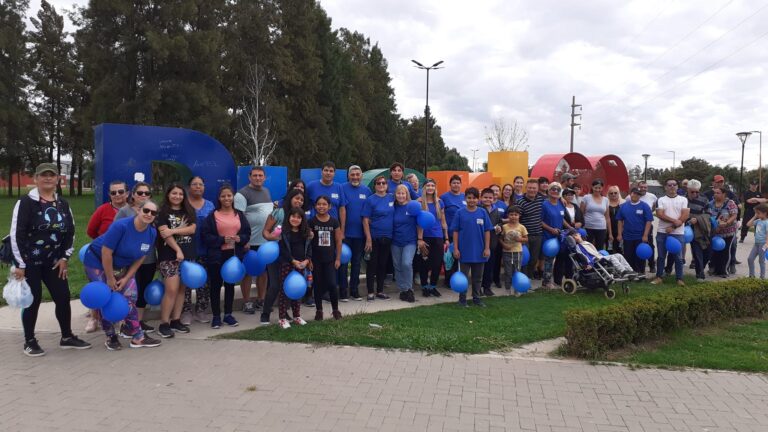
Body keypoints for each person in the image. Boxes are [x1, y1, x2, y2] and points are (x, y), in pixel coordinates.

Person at [10, 163, 92, 357]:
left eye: (52, 175)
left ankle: (67, 337)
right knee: (33, 300)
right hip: (29, 262)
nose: (48, 178)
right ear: (36, 179)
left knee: (62, 297)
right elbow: (16, 234)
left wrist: (64, 257)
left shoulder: (62, 204)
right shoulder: (26, 203)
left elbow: (70, 232)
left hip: (54, 261)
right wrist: (20, 264)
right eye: (43, 175)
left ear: (57, 179)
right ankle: (29, 341)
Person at [82, 200, 162, 350]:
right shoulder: (122, 226)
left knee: (131, 296)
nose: (149, 214)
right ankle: (111, 336)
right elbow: (106, 252)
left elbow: (141, 257)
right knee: (105, 297)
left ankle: (137, 336)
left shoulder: (151, 232)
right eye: (146, 210)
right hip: (97, 260)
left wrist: (126, 278)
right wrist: (110, 278)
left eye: (153, 212)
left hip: (121, 265)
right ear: (138, 210)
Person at [202, 185, 250, 329]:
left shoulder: (239, 214)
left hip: (234, 255)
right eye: (223, 196)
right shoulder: (212, 216)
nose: (226, 198)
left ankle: (228, 315)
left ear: (233, 197)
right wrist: (222, 240)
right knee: (216, 286)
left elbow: (247, 233)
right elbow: (206, 236)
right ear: (219, 198)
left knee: (230, 285)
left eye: (229, 195)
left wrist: (239, 239)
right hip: (217, 256)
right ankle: (216, 316)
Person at [84, 179, 128, 333]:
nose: (117, 195)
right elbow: (90, 231)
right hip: (100, 256)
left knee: (121, 286)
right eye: (113, 192)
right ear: (109, 194)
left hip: (123, 258)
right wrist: (103, 245)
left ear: (127, 193)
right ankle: (94, 317)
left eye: (120, 191)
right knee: (99, 287)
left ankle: (121, 316)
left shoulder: (133, 211)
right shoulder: (103, 210)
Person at [113, 182, 158, 333]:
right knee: (131, 292)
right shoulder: (125, 212)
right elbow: (115, 234)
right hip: (129, 262)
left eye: (146, 193)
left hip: (148, 258)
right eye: (140, 193)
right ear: (133, 195)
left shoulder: (152, 211)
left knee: (143, 291)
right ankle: (126, 324)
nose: (143, 196)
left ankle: (138, 321)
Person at [155, 183, 197, 338]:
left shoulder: (189, 210)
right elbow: (163, 234)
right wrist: (177, 249)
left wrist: (173, 230)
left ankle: (176, 320)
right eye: (174, 193)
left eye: (180, 194)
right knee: (171, 290)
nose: (177, 196)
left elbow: (192, 229)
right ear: (168, 194)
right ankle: (164, 323)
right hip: (169, 256)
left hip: (188, 256)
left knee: (182, 290)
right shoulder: (162, 212)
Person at [260, 189, 307, 323]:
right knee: (275, 285)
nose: (299, 201)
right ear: (290, 198)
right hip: (275, 255)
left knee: (288, 284)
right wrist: (275, 238)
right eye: (296, 198)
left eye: (301, 200)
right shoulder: (278, 212)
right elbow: (265, 232)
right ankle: (265, 313)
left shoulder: (300, 216)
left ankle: (284, 313)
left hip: (291, 258)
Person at [234, 166, 272, 314]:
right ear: (249, 177)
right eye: (255, 175)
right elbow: (238, 219)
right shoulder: (242, 194)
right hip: (249, 242)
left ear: (264, 177)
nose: (258, 178)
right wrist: (244, 240)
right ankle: (246, 302)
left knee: (263, 272)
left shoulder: (266, 192)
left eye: (260, 175)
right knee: (248, 272)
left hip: (265, 242)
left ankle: (261, 300)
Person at [451, 187, 492, 307]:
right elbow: (455, 231)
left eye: (474, 198)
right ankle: (462, 300)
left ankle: (476, 298)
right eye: (469, 198)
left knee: (477, 277)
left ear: (478, 199)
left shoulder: (483, 212)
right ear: (465, 199)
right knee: (463, 278)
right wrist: (456, 248)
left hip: (480, 251)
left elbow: (487, 231)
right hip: (464, 251)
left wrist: (487, 248)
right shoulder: (460, 212)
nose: (471, 200)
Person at [182, 176, 215, 325]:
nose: (197, 187)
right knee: (186, 282)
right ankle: (186, 311)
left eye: (200, 184)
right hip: (186, 249)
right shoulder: (183, 204)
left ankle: (201, 310)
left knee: (204, 282)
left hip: (206, 249)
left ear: (204, 187)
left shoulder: (210, 205)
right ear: (189, 187)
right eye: (194, 184)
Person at [276, 208, 312, 329]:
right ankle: (282, 318)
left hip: (301, 265)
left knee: (298, 291)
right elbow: (283, 250)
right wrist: (292, 260)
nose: (295, 219)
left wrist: (307, 260)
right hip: (287, 264)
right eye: (293, 216)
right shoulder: (284, 232)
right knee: (284, 291)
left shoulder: (305, 233)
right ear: (288, 217)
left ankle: (297, 316)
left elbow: (309, 249)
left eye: (298, 217)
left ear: (302, 219)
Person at [340, 165, 371, 301]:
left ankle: (354, 290)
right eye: (352, 174)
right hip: (345, 234)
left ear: (361, 176)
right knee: (343, 263)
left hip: (360, 234)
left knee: (357, 263)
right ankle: (342, 291)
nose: (355, 177)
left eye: (358, 174)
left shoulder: (367, 190)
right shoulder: (342, 188)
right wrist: (341, 231)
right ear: (348, 176)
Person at [650, 179, 689, 286]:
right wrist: (674, 221)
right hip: (662, 232)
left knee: (679, 258)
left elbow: (685, 215)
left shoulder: (683, 199)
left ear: (677, 187)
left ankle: (679, 278)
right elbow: (660, 214)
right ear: (665, 187)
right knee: (661, 256)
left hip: (678, 233)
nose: (672, 186)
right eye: (669, 185)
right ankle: (659, 277)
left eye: (674, 184)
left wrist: (673, 226)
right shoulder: (661, 199)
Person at [309, 196, 343, 320]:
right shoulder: (311, 222)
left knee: (332, 284)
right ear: (315, 206)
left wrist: (338, 258)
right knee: (317, 284)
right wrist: (309, 259)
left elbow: (338, 241)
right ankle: (319, 310)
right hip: (316, 259)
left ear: (329, 206)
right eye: (319, 204)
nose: (321, 206)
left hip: (330, 259)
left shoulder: (334, 222)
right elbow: (308, 243)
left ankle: (335, 310)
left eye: (324, 204)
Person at [362, 175, 394, 301]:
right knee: (372, 265)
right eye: (378, 183)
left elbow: (407, 199)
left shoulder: (392, 198)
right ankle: (370, 292)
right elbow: (365, 220)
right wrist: (368, 238)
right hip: (374, 238)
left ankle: (380, 291)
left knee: (383, 265)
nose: (381, 185)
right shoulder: (370, 200)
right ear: (375, 186)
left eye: (383, 183)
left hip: (388, 237)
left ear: (387, 185)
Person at [417, 179, 448, 297]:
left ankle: (433, 286)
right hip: (424, 237)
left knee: (437, 263)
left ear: (435, 188)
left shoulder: (440, 202)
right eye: (428, 185)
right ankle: (424, 286)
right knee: (424, 263)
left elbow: (443, 221)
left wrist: (446, 238)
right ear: (424, 188)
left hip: (438, 236)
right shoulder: (419, 202)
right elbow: (418, 223)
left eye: (432, 185)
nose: (430, 187)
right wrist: (420, 239)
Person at [704, 174, 741, 271]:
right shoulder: (707, 194)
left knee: (731, 247)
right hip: (714, 230)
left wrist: (728, 221)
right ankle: (713, 266)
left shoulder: (729, 194)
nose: (720, 183)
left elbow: (737, 206)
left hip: (729, 228)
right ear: (713, 183)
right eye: (718, 181)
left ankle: (731, 264)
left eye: (721, 182)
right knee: (713, 248)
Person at [567, 230, 639, 278]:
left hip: (599, 256)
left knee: (619, 255)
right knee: (612, 257)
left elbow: (594, 251)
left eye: (576, 235)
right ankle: (623, 271)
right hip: (595, 260)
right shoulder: (578, 247)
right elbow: (585, 257)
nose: (576, 238)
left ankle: (630, 271)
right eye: (573, 238)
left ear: (579, 234)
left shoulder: (586, 243)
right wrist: (590, 264)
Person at [392, 184, 420, 303]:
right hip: (395, 241)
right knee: (397, 265)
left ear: (407, 194)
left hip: (410, 241)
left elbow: (420, 222)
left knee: (406, 263)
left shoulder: (412, 206)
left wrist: (420, 238)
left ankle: (409, 289)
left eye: (403, 193)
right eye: (398, 193)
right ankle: (402, 290)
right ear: (395, 195)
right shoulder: (392, 207)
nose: (401, 195)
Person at [616, 187, 653, 273]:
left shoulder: (645, 206)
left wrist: (645, 235)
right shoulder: (623, 206)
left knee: (640, 256)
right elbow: (620, 221)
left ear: (640, 196)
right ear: (630, 194)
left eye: (637, 194)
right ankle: (630, 274)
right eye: (633, 193)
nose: (635, 195)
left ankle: (640, 274)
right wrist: (619, 234)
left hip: (640, 237)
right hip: (627, 236)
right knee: (628, 256)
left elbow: (649, 221)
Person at [541, 182, 568, 289]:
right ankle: (546, 282)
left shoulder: (561, 204)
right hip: (548, 237)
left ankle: (557, 280)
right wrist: (551, 229)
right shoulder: (544, 204)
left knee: (560, 259)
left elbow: (562, 219)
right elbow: (540, 221)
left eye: (558, 190)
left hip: (560, 236)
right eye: (553, 189)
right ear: (548, 191)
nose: (555, 191)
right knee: (549, 260)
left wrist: (570, 228)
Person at [516, 178, 544, 279]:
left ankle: (529, 277)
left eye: (534, 188)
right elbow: (517, 220)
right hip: (525, 236)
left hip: (538, 235)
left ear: (537, 189)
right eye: (530, 188)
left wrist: (561, 198)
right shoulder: (520, 202)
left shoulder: (541, 199)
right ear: (526, 188)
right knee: (524, 259)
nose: (532, 190)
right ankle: (523, 278)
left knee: (534, 259)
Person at [440, 174, 466, 282]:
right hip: (450, 233)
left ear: (461, 184)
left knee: (461, 256)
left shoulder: (465, 196)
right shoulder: (444, 197)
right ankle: (449, 280)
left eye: (458, 183)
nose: (456, 185)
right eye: (454, 183)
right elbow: (441, 215)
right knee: (450, 258)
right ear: (450, 184)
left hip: (464, 233)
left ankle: (460, 279)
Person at [685, 180, 711, 281]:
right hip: (686, 229)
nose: (695, 194)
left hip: (700, 228)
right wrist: (689, 220)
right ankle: (700, 274)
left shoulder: (704, 200)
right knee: (697, 252)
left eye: (697, 192)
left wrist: (697, 219)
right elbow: (680, 213)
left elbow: (708, 214)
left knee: (707, 252)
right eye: (692, 192)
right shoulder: (683, 200)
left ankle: (700, 268)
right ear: (688, 190)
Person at [500, 206, 528, 296]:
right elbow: (500, 238)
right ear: (508, 215)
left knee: (517, 271)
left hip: (518, 252)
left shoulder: (522, 227)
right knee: (508, 271)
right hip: (506, 252)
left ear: (519, 216)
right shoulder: (504, 227)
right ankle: (507, 289)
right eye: (511, 215)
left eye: (515, 215)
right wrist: (504, 245)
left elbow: (526, 239)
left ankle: (517, 288)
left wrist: (519, 239)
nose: (513, 217)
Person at [480, 188, 502, 296]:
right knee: (479, 268)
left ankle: (487, 287)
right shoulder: (478, 209)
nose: (488, 199)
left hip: (492, 243)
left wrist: (499, 228)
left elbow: (500, 223)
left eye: (490, 198)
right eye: (485, 197)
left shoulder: (496, 211)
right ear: (481, 198)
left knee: (489, 267)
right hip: (479, 243)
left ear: (494, 199)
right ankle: (478, 287)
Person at [580, 179, 610, 251]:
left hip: (601, 228)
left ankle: (598, 262)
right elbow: (581, 213)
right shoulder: (586, 198)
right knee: (587, 248)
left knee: (600, 249)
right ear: (592, 187)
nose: (597, 189)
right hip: (588, 227)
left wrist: (610, 232)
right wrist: (581, 227)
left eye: (599, 188)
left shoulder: (606, 200)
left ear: (602, 188)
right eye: (596, 187)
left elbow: (607, 217)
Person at [637, 180, 658, 272]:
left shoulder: (652, 196)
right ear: (638, 187)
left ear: (647, 188)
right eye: (641, 187)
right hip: (636, 226)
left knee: (650, 245)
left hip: (648, 225)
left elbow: (654, 207)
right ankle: (639, 266)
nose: (643, 189)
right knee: (638, 245)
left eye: (645, 187)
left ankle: (652, 265)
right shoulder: (632, 196)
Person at [746, 203, 768, 279]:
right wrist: (755, 216)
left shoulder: (767, 222)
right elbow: (748, 224)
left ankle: (762, 278)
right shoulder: (758, 220)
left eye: (758, 213)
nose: (757, 214)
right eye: (756, 213)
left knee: (761, 261)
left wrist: (766, 244)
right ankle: (751, 276)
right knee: (750, 259)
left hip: (763, 244)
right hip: (756, 244)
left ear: (765, 213)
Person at [607, 185, 624, 253]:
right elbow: (607, 218)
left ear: (618, 193)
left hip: (620, 230)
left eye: (615, 193)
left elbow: (624, 219)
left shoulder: (623, 203)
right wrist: (609, 233)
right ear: (608, 194)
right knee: (609, 250)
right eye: (611, 193)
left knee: (619, 250)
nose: (613, 194)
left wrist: (621, 232)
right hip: (609, 230)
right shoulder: (606, 203)